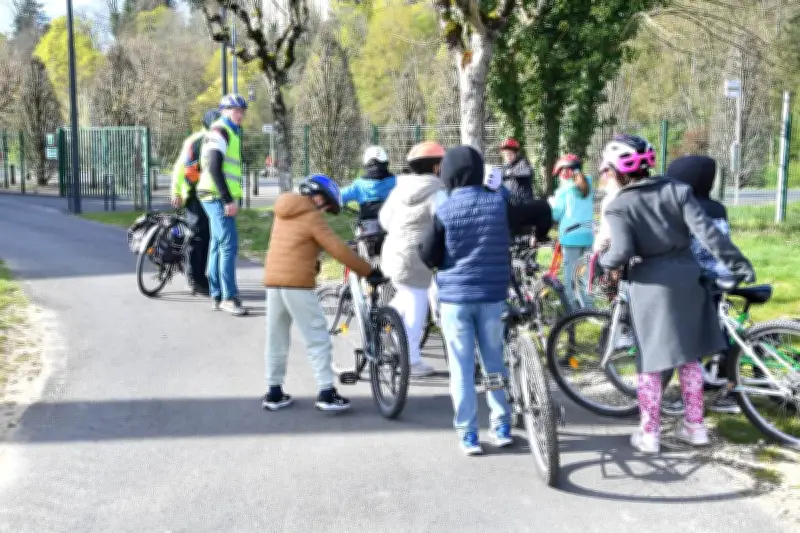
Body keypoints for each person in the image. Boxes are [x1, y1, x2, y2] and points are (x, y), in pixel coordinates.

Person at [597, 134, 755, 454]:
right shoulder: (677, 191)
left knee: (651, 362)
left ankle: (649, 434)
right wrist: (738, 266)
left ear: (616, 170)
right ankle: (695, 428)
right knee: (689, 356)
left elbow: (623, 250)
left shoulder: (620, 205)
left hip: (650, 287)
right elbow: (708, 234)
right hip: (687, 280)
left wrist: (603, 261)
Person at [419, 145, 552, 456]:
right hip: (492, 297)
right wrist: (540, 232)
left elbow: (428, 254)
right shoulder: (498, 204)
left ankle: (468, 435)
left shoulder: (445, 210)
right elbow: (540, 210)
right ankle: (501, 425)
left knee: (461, 368)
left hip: (456, 300)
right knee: (493, 362)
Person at [262, 174, 384, 412]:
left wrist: (313, 265)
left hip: (273, 283)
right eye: (326, 203)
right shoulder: (311, 216)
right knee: (318, 339)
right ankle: (326, 392)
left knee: (276, 339)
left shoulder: (283, 210)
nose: (326, 209)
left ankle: (274, 392)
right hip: (297, 285)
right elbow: (338, 249)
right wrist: (368, 271)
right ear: (316, 197)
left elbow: (294, 248)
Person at [668, 154, 741, 414]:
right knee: (719, 330)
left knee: (689, 339)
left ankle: (691, 396)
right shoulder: (717, 207)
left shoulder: (684, 207)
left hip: (697, 279)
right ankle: (727, 384)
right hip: (722, 276)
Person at [379, 142, 446, 378]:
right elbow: (444, 224)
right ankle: (412, 360)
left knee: (404, 297)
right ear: (437, 167)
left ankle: (383, 327)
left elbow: (384, 219)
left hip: (392, 253)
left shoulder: (400, 189)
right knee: (417, 304)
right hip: (416, 257)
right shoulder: (437, 193)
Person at [197, 93, 247, 316]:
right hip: (216, 196)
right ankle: (228, 297)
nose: (240, 114)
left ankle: (216, 294)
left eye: (242, 111)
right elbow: (214, 166)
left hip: (213, 195)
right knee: (228, 244)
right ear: (224, 110)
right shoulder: (220, 130)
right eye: (235, 110)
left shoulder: (229, 131)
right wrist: (227, 199)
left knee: (218, 244)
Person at [169, 109, 220, 296]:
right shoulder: (196, 140)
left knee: (207, 237)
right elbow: (180, 168)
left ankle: (201, 276)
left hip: (210, 195)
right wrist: (176, 191)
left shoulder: (219, 139)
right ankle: (194, 279)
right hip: (194, 194)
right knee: (197, 236)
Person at [549, 154, 594, 309]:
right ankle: (588, 307)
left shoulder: (563, 190)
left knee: (570, 276)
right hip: (588, 235)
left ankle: (572, 309)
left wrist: (552, 202)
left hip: (570, 237)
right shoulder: (589, 183)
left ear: (564, 172)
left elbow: (556, 214)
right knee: (586, 275)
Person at [500, 137, 535, 203]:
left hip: (524, 202)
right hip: (510, 202)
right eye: (506, 154)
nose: (508, 156)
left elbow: (528, 172)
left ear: (516, 153)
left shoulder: (524, 163)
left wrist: (511, 173)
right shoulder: (505, 167)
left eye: (510, 154)